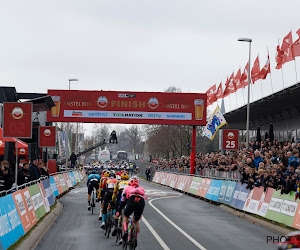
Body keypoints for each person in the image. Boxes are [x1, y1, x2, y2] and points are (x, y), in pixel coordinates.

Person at [119, 176, 146, 246]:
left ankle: (125, 231)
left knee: (126, 216)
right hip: (141, 201)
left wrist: (121, 207)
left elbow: (123, 199)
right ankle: (135, 239)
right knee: (136, 220)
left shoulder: (127, 188)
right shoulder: (141, 188)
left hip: (131, 200)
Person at [112, 172, 129, 237]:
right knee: (126, 216)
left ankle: (116, 227)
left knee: (117, 212)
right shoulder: (129, 183)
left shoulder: (118, 183)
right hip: (127, 199)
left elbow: (114, 194)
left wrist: (113, 200)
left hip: (120, 198)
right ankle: (125, 229)